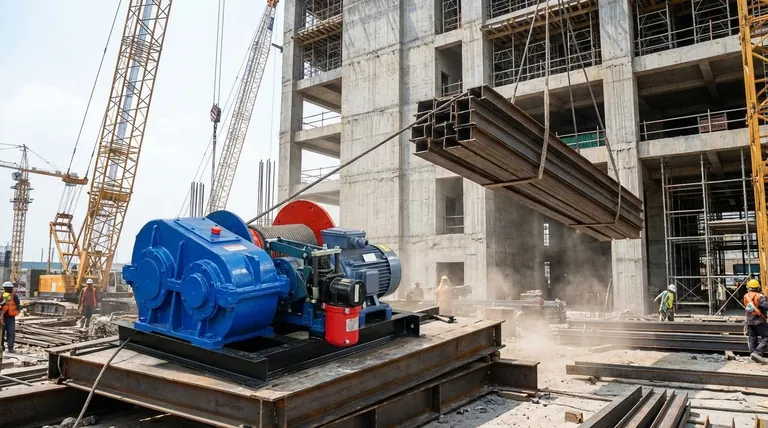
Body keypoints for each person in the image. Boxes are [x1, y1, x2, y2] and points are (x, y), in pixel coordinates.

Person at [744, 279, 768, 363]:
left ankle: (753, 355)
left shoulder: (746, 296)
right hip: (758, 320)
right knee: (766, 336)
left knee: (752, 338)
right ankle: (757, 353)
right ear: (758, 287)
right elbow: (764, 306)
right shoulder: (759, 296)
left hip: (749, 320)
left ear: (749, 288)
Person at [1, 281, 20, 353]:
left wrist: (17, 312)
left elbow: (18, 305)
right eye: (7, 288)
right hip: (3, 317)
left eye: (9, 288)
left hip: (11, 318)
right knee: (1, 333)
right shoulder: (1, 296)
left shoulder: (14, 296)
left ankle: (10, 348)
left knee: (11, 333)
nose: (8, 289)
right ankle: (1, 347)